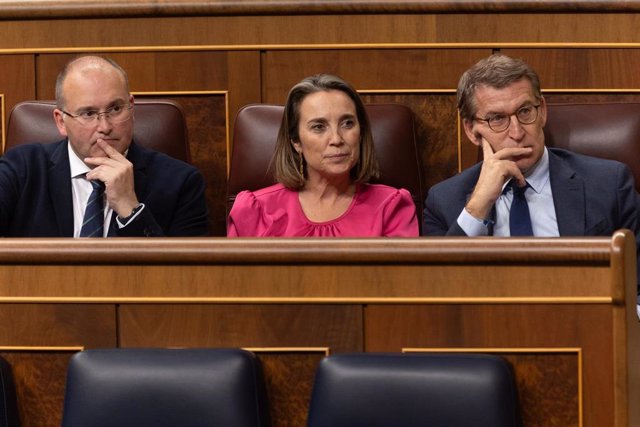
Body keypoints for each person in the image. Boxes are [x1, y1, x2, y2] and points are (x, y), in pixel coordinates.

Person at [422, 54, 640, 302]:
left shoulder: (608, 183)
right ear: (472, 131)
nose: (517, 133)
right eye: (497, 119)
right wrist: (478, 206)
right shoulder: (444, 202)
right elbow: (435, 296)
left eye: (525, 111)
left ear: (543, 111)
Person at [0, 55, 209, 237]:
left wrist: (130, 208)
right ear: (61, 122)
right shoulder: (20, 169)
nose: (105, 126)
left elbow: (183, 278)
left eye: (116, 109)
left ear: (132, 107)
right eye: (88, 113)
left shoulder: (182, 183)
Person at [227, 74, 418, 237]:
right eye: (319, 127)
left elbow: (403, 280)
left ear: (361, 133)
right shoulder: (255, 210)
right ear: (296, 141)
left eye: (348, 123)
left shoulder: (391, 207)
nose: (336, 139)